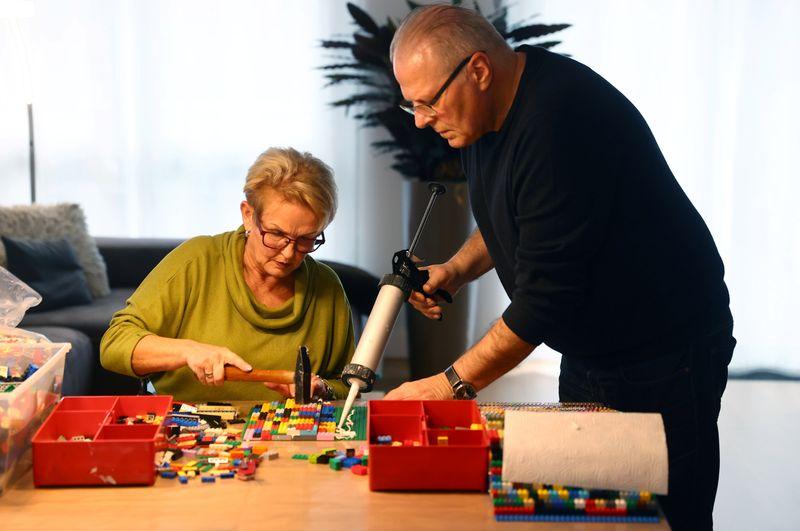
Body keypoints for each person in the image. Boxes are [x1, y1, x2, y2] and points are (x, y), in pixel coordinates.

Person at [384, 5, 734, 531]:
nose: (420, 120)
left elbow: (543, 304)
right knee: (596, 508)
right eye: (410, 104)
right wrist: (456, 268)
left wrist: (447, 385)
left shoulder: (560, 122)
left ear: (478, 70)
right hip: (596, 345)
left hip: (665, 349)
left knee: (662, 514)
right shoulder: (483, 116)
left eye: (428, 101)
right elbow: (518, 216)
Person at [101, 147, 355, 403]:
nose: (289, 253)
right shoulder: (196, 261)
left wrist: (322, 388)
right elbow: (114, 344)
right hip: (191, 430)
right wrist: (189, 350)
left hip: (286, 438)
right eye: (276, 234)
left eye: (306, 239)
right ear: (248, 215)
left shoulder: (327, 287)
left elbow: (349, 385)